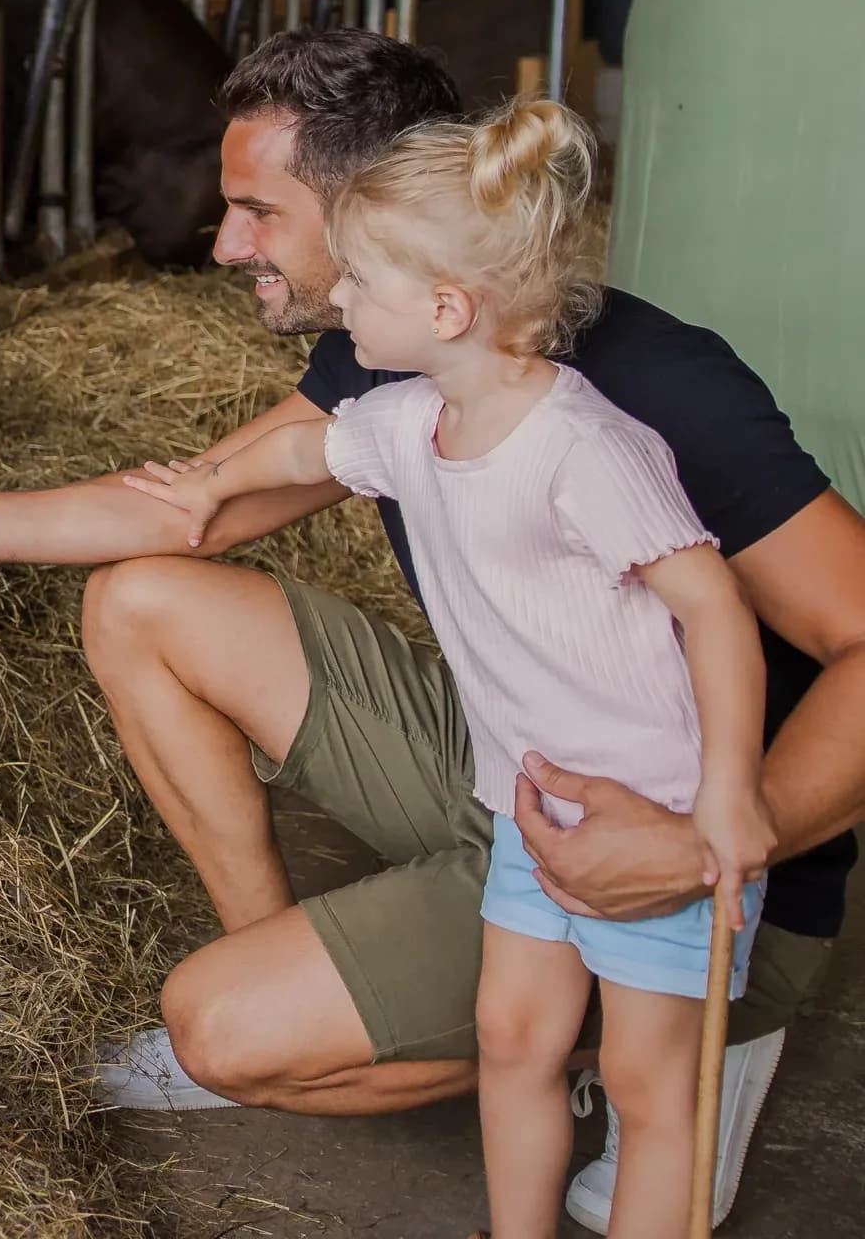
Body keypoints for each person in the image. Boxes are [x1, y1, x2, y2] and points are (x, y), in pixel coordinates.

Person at [0, 29, 865, 1232]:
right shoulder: (398, 357)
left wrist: (713, 838)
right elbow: (200, 499)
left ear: (382, 214)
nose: (228, 241)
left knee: (222, 1026)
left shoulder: (655, 396)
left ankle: (693, 1052)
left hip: (698, 833)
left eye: (258, 210)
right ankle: (363, 976)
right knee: (142, 598)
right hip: (522, 762)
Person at [122, 96, 769, 1239]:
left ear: (447, 306)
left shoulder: (589, 450)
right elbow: (300, 444)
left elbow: (714, 609)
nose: (342, 297)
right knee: (514, 1035)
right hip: (527, 803)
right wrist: (212, 482)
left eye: (361, 278)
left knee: (647, 1084)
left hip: (658, 817)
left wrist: (724, 802)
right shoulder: (413, 417)